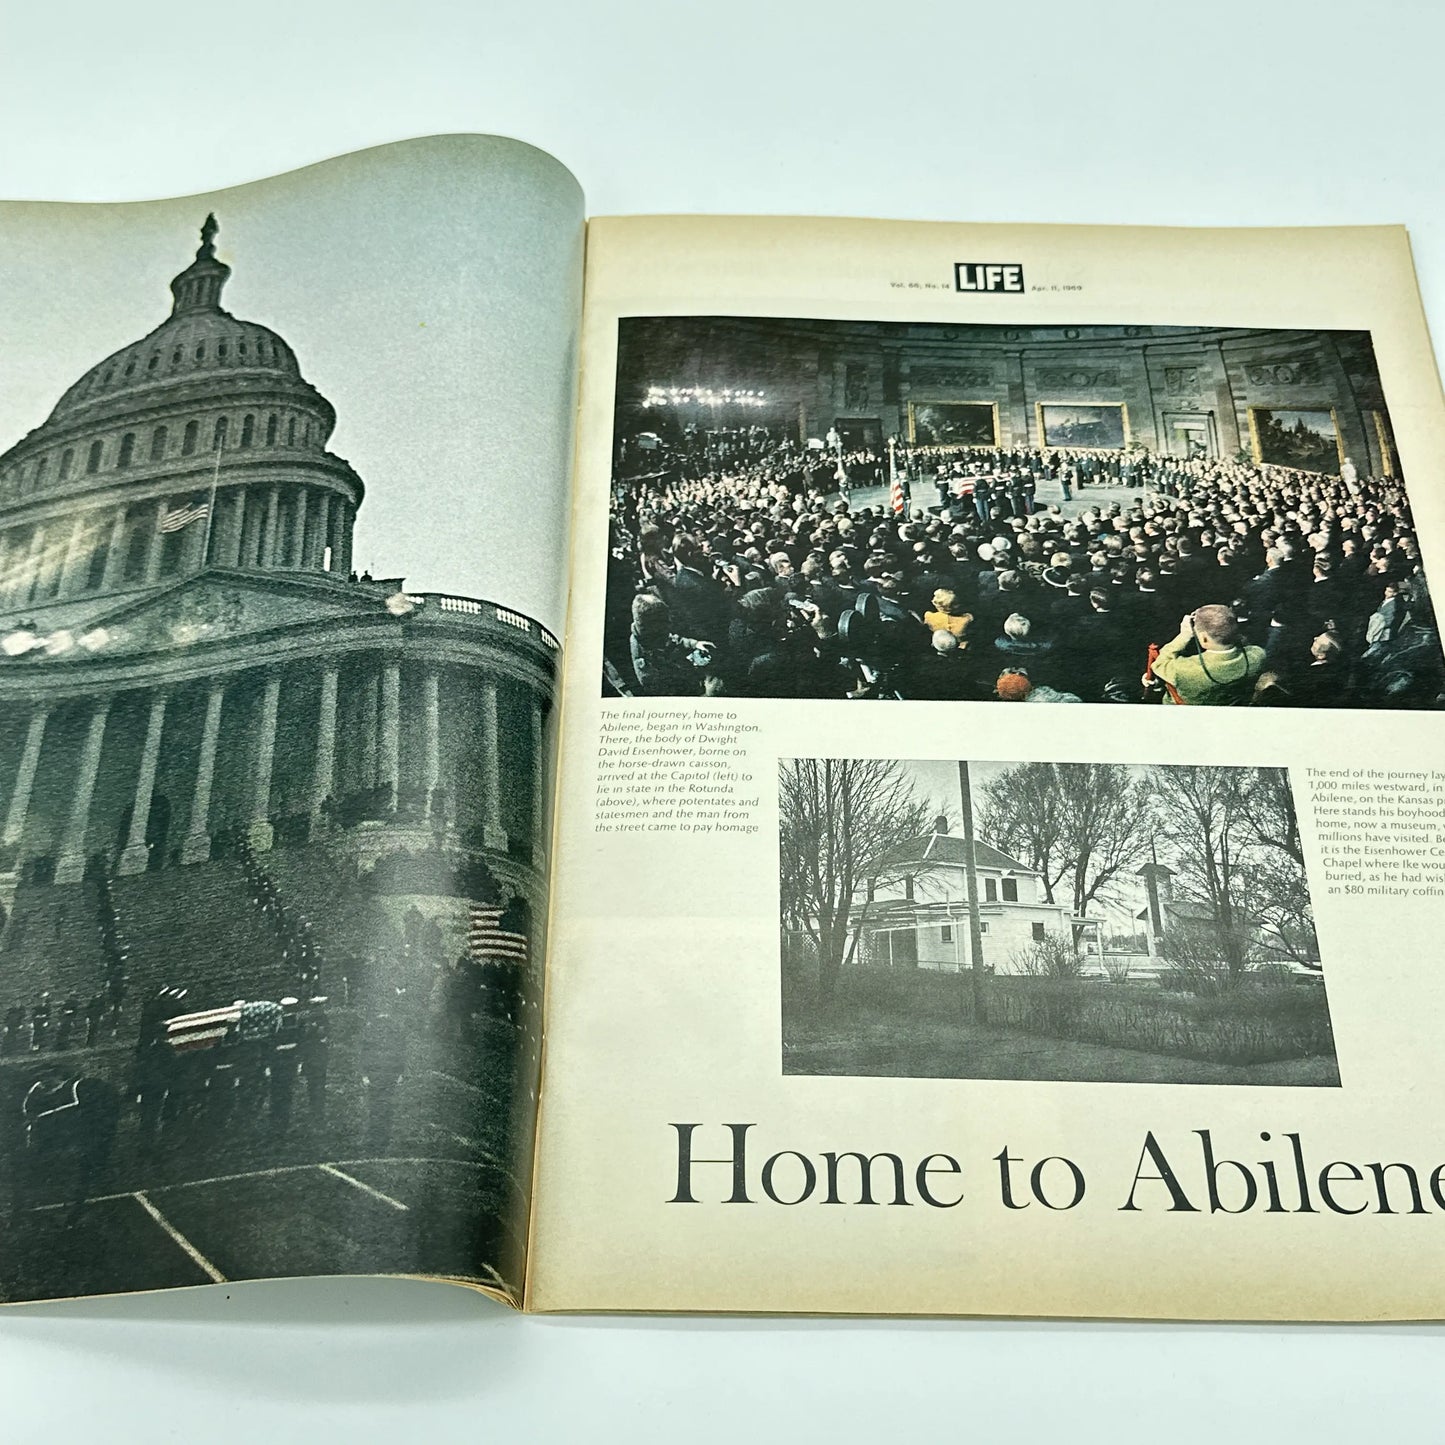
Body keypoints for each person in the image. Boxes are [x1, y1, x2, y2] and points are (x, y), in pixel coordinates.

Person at [1149, 605, 1266, 705]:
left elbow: (1159, 664)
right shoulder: (1258, 655)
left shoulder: (1183, 669)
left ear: (1204, 639)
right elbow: (1247, 646)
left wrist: (1184, 635)